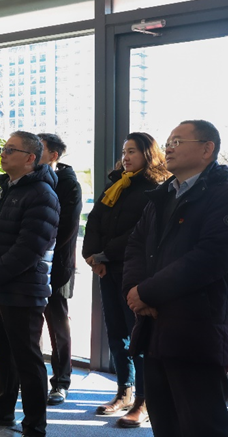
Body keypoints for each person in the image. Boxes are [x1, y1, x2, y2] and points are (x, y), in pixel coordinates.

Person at [123, 121, 228, 436]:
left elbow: (213, 257)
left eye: (178, 141)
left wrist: (148, 292)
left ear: (207, 149)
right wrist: (134, 290)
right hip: (155, 328)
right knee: (165, 422)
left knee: (202, 424)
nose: (168, 148)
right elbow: (136, 246)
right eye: (168, 141)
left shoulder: (226, 196)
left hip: (197, 330)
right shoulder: (163, 195)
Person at [0, 131, 59, 437]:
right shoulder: (5, 189)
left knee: (27, 359)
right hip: (0, 286)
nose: (2, 154)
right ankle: (2, 410)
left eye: (10, 150)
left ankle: (34, 425)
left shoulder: (42, 194)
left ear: (30, 158)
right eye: (4, 148)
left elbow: (29, 249)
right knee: (5, 353)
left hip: (24, 290)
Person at [82, 132, 168, 427]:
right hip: (107, 269)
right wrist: (93, 256)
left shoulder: (157, 186)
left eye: (132, 151)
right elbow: (94, 221)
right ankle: (124, 391)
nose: (126, 157)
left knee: (139, 335)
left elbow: (140, 232)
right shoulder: (117, 184)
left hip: (136, 271)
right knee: (116, 332)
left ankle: (144, 399)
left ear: (148, 154)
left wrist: (105, 254)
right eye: (124, 151)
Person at [36, 133, 82, 406]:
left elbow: (66, 229)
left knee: (57, 325)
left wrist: (39, 250)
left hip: (58, 266)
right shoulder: (32, 179)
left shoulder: (69, 184)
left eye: (39, 148)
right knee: (32, 325)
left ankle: (61, 382)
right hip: (31, 265)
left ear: (53, 155)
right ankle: (33, 380)